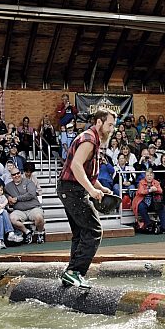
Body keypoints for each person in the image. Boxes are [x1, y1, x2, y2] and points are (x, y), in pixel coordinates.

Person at [57, 108, 116, 289]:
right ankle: (75, 272)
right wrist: (91, 190)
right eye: (109, 125)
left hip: (70, 189)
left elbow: (87, 171)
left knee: (81, 233)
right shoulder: (89, 139)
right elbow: (76, 166)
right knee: (94, 230)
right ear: (99, 122)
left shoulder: (93, 139)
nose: (112, 129)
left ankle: (70, 274)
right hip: (73, 190)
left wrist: (99, 187)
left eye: (113, 125)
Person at [5, 166, 45, 245]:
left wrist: (16, 199)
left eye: (18, 173)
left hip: (33, 208)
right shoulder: (8, 186)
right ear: (11, 176)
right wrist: (8, 197)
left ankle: (40, 233)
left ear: (20, 173)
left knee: (39, 217)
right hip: (19, 210)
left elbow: (31, 194)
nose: (16, 175)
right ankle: (27, 232)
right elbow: (3, 193)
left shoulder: (28, 182)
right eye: (14, 174)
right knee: (12, 218)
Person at [131, 167, 165, 234]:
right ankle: (149, 224)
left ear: (153, 176)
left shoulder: (156, 182)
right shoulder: (141, 182)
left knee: (161, 206)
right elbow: (140, 191)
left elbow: (161, 190)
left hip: (153, 202)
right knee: (141, 206)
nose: (149, 177)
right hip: (142, 201)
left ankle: (164, 227)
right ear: (145, 176)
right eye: (148, 175)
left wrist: (155, 189)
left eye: (151, 175)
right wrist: (149, 190)